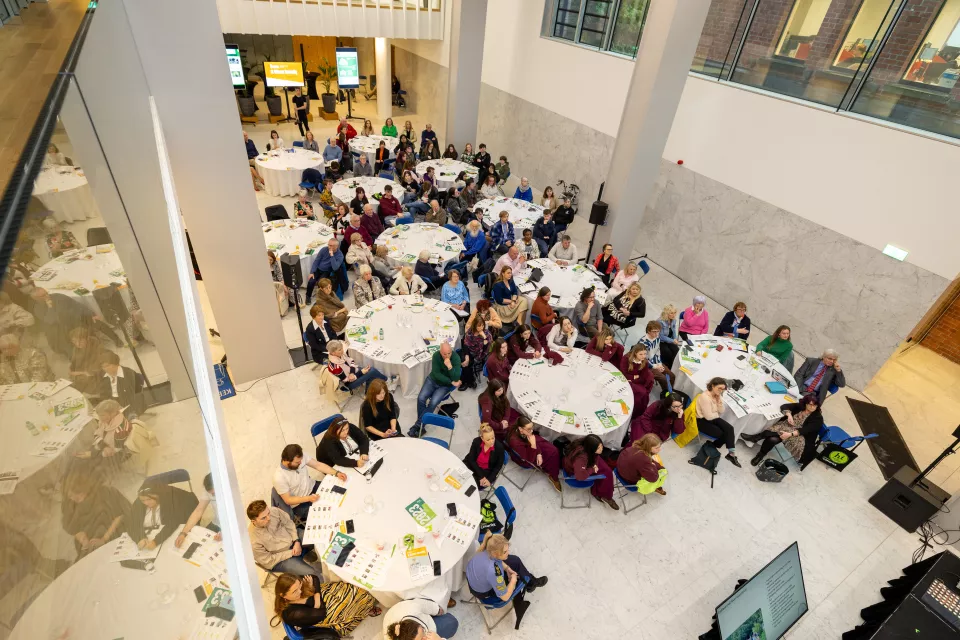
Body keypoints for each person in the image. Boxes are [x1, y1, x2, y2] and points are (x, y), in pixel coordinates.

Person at [273, 573, 380, 637]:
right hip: (322, 614)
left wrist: (315, 594)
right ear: (283, 595)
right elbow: (321, 614)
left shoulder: (293, 582)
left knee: (352, 589)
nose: (300, 592)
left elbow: (314, 578)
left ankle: (363, 606)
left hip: (319, 601)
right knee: (356, 598)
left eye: (300, 586)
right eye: (295, 592)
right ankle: (365, 609)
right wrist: (313, 590)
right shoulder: (293, 614)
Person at [31, 287, 119, 355]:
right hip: (62, 328)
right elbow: (51, 320)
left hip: (76, 318)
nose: (47, 296)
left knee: (98, 323)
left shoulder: (57, 296)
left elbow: (76, 305)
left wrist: (92, 314)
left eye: (46, 293)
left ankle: (117, 340)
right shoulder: (37, 309)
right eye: (43, 295)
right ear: (36, 299)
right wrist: (50, 307)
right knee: (70, 345)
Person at [742, 395, 824, 468]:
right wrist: (789, 415)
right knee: (772, 439)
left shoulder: (818, 418)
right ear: (805, 404)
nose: (813, 407)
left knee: (774, 434)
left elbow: (805, 430)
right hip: (787, 427)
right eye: (810, 404)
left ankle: (757, 437)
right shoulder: (800, 407)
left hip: (800, 437)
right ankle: (760, 455)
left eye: (815, 405)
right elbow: (785, 406)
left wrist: (790, 434)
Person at [273, 443, 347, 523]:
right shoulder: (279, 477)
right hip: (300, 503)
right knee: (328, 513)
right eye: (297, 462)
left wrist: (336, 473)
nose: (301, 463)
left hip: (312, 486)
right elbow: (288, 500)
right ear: (287, 461)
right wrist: (308, 498)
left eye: (301, 460)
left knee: (340, 492)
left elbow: (318, 465)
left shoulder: (299, 457)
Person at [61, 471, 129, 558]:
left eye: (78, 494)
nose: (75, 498)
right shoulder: (70, 503)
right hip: (91, 540)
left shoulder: (104, 492)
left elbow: (120, 515)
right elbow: (71, 526)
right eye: (70, 496)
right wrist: (82, 537)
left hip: (112, 531)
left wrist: (104, 539)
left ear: (84, 488)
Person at [248, 501, 318, 577]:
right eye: (263, 518)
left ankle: (304, 552)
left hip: (292, 538)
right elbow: (268, 561)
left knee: (318, 536)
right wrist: (291, 552)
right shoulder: (252, 540)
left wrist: (296, 540)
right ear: (253, 521)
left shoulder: (273, 511)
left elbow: (288, 523)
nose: (269, 518)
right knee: (311, 573)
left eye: (268, 513)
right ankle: (301, 558)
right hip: (280, 558)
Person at [127, 481, 199, 550]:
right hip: (154, 533)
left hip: (174, 530)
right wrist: (140, 538)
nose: (146, 503)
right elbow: (132, 523)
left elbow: (173, 523)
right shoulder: (140, 501)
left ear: (157, 495)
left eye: (149, 499)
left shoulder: (169, 500)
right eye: (143, 500)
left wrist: (156, 541)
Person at [412, 341, 464, 434]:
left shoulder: (456, 358)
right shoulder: (436, 355)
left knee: (433, 403)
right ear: (440, 352)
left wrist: (450, 367)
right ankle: (421, 426)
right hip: (433, 380)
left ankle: (418, 426)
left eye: (449, 353)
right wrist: (450, 381)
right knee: (421, 398)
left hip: (445, 386)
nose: (447, 356)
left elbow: (456, 378)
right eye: (444, 354)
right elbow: (436, 374)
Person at [694, 377, 741, 467]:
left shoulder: (717, 395)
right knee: (723, 434)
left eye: (723, 389)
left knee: (730, 428)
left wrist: (719, 401)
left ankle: (731, 454)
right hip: (701, 420)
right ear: (712, 386)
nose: (721, 391)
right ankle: (714, 445)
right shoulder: (705, 397)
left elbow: (722, 410)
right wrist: (717, 415)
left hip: (713, 417)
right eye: (719, 388)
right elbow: (708, 417)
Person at [506, 416, 562, 491]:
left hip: (530, 444)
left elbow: (532, 438)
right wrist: (533, 445)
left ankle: (553, 466)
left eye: (532, 428)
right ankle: (554, 477)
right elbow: (530, 459)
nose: (532, 431)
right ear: (520, 429)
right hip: (527, 456)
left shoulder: (522, 429)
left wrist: (538, 453)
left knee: (553, 450)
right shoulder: (515, 442)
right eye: (529, 429)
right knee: (552, 453)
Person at [563, 434, 618, 510]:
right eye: (598, 448)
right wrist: (592, 469)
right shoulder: (581, 458)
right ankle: (604, 495)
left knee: (608, 471)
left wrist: (594, 463)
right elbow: (580, 476)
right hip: (577, 472)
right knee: (606, 474)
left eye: (601, 446)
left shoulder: (585, 443)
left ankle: (601, 491)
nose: (602, 449)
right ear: (592, 449)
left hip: (591, 460)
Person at [177, 473, 221, 547]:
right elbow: (199, 510)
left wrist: (225, 534)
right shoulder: (209, 488)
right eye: (212, 494)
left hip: (232, 527)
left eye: (214, 493)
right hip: (217, 523)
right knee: (199, 543)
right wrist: (183, 533)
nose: (213, 496)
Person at [384, 597, 459, 639]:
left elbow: (427, 605)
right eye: (421, 639)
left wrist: (438, 610)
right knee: (451, 624)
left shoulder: (413, 608)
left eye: (422, 630)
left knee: (451, 622)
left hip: (407, 607)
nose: (426, 637)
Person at [97, 350, 144, 415]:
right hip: (113, 403)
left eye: (107, 366)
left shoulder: (128, 374)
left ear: (116, 363)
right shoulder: (104, 376)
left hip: (129, 404)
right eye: (103, 367)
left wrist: (118, 408)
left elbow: (132, 397)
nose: (105, 369)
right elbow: (103, 395)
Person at [618, 342, 655, 418]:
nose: (643, 356)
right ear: (635, 353)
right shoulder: (626, 358)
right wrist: (634, 377)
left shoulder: (645, 362)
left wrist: (632, 379)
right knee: (641, 393)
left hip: (636, 382)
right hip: (624, 380)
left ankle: (635, 415)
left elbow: (642, 378)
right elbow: (623, 374)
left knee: (643, 395)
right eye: (641, 354)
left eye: (645, 354)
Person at [637, 321, 676, 391]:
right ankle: (665, 394)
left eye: (658, 331)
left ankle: (670, 392)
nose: (656, 334)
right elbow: (642, 359)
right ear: (648, 331)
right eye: (654, 331)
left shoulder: (657, 338)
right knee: (663, 379)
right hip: (646, 365)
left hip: (655, 362)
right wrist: (655, 366)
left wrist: (659, 364)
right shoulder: (643, 342)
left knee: (671, 376)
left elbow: (657, 352)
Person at [305, 239, 347, 303]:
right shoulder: (324, 249)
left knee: (321, 283)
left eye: (331, 245)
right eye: (328, 245)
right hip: (318, 269)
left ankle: (321, 297)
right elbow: (317, 261)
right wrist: (312, 272)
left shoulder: (340, 255)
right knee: (311, 281)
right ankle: (308, 296)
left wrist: (332, 256)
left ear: (336, 246)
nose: (329, 247)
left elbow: (335, 267)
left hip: (327, 271)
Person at [463, 423, 504, 487]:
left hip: (486, 471)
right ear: (482, 438)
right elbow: (471, 459)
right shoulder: (476, 441)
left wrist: (489, 480)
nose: (491, 441)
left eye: (493, 438)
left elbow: (498, 466)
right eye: (488, 439)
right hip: (472, 465)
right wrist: (481, 476)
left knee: (469, 486)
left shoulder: (499, 447)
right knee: (460, 477)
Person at [66, 327, 103, 393]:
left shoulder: (95, 343)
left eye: (80, 341)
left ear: (87, 338)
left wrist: (79, 373)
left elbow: (97, 364)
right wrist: (72, 369)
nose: (77, 344)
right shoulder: (76, 349)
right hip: (83, 372)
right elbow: (73, 364)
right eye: (74, 341)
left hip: (95, 372)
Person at [462, 312, 492, 389]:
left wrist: (484, 337)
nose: (481, 328)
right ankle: (469, 381)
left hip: (479, 355)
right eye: (479, 326)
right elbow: (466, 344)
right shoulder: (470, 332)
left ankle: (468, 381)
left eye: (482, 325)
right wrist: (467, 356)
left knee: (468, 365)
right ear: (475, 325)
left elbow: (485, 350)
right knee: (464, 361)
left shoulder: (487, 334)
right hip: (469, 352)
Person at [657, 304, 681, 369]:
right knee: (667, 353)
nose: (674, 315)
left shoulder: (673, 320)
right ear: (667, 313)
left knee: (676, 350)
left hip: (669, 340)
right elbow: (661, 336)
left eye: (675, 313)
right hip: (661, 341)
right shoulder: (660, 321)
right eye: (671, 313)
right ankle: (667, 367)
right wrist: (672, 340)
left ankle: (673, 367)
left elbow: (674, 331)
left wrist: (675, 339)